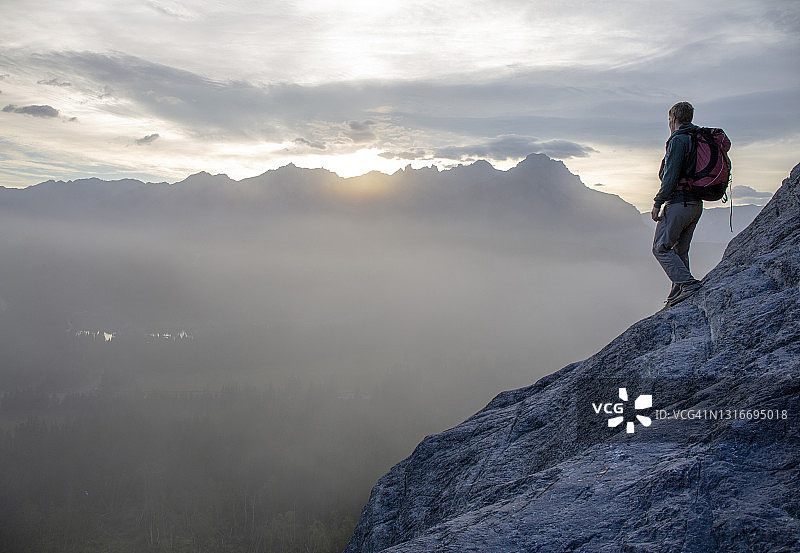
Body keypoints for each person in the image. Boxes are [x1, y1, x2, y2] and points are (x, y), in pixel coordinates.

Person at [651, 101, 703, 308]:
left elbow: (670, 176)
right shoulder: (697, 138)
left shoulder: (679, 140)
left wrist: (658, 202)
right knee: (680, 251)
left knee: (661, 248)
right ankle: (677, 297)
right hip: (696, 205)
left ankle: (688, 285)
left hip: (679, 203)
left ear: (673, 118)